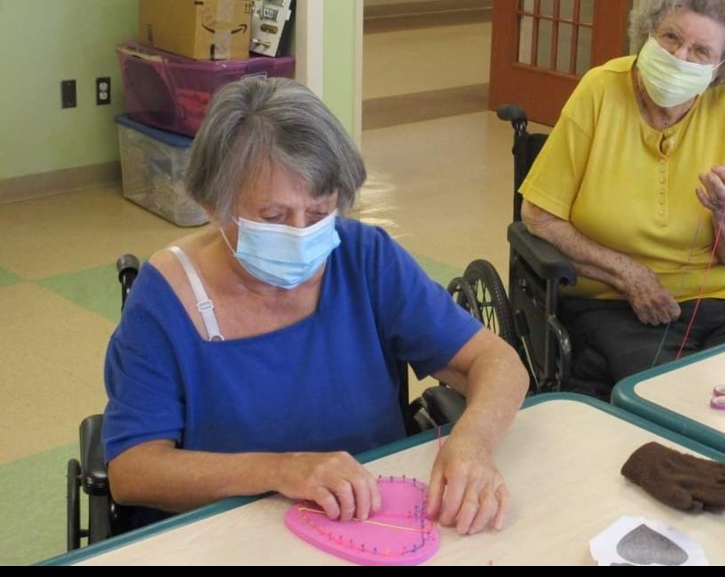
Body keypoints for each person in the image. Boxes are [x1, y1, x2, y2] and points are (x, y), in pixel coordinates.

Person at [103, 77, 529, 536]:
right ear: (214, 205)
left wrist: (472, 443)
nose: (302, 233)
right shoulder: (165, 300)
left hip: (373, 523)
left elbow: (497, 361)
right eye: (273, 216)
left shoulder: (362, 256)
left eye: (320, 212)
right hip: (228, 535)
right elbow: (134, 470)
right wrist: (280, 471)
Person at [518, 0, 725, 399]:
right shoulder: (601, 90)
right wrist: (629, 275)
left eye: (701, 51)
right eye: (671, 37)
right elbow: (538, 215)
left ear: (720, 66)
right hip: (621, 306)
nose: (679, 57)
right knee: (673, 396)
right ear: (648, 30)